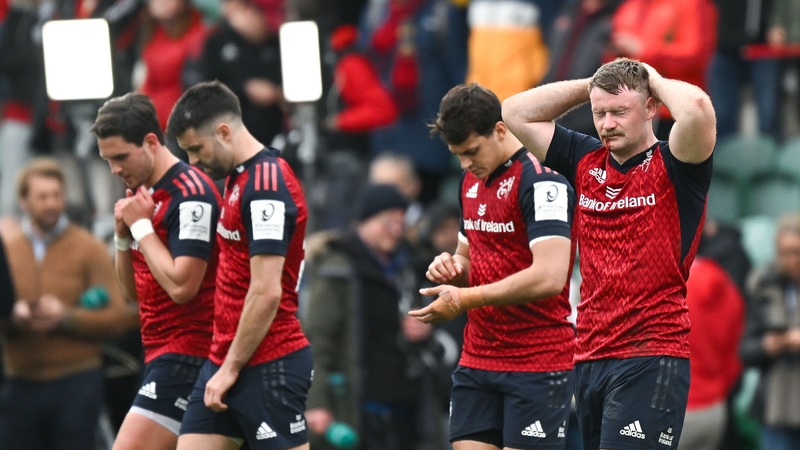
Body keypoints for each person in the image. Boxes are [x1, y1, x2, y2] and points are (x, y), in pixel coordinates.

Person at [503, 57, 716, 450]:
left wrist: (651, 77)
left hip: (651, 351)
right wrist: (592, 84)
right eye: (600, 113)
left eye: (620, 112)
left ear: (651, 107)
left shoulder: (678, 163)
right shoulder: (584, 158)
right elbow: (515, 112)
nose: (607, 124)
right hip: (589, 354)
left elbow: (698, 108)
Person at [409, 83, 576, 450]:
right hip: (478, 357)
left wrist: (466, 298)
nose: (466, 164)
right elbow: (470, 258)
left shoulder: (542, 179)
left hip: (537, 359)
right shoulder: (470, 180)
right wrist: (450, 268)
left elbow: (549, 276)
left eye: (471, 151)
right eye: (457, 155)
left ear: (500, 130)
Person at [167, 80, 312, 450]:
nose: (192, 162)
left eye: (196, 149)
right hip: (226, 358)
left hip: (269, 360)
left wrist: (230, 368)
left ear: (224, 131)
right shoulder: (238, 176)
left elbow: (265, 292)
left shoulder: (266, 185)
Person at [90, 93, 221, 450]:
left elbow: (183, 287)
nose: (115, 169)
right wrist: (122, 237)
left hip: (192, 354)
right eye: (107, 160)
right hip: (160, 352)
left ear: (151, 142)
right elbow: (134, 293)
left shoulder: (191, 194)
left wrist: (143, 229)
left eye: (120, 157)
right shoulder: (143, 197)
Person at [0, 157, 137, 450]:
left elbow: (119, 317)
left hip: (75, 381)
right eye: (42, 197)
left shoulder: (87, 247)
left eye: (57, 195)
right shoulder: (7, 250)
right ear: (23, 201)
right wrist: (13, 315)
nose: (51, 203)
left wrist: (66, 317)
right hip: (20, 383)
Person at [303, 183, 432, 450]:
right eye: (388, 223)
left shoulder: (406, 268)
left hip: (404, 411)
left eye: (400, 224)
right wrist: (317, 403)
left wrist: (424, 328)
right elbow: (318, 340)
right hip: (355, 409)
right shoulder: (337, 269)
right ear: (365, 220)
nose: (396, 231)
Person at [740, 213, 800, 450]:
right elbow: (745, 349)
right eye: (785, 253)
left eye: (796, 252)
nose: (791, 260)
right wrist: (767, 345)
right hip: (777, 405)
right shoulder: (764, 285)